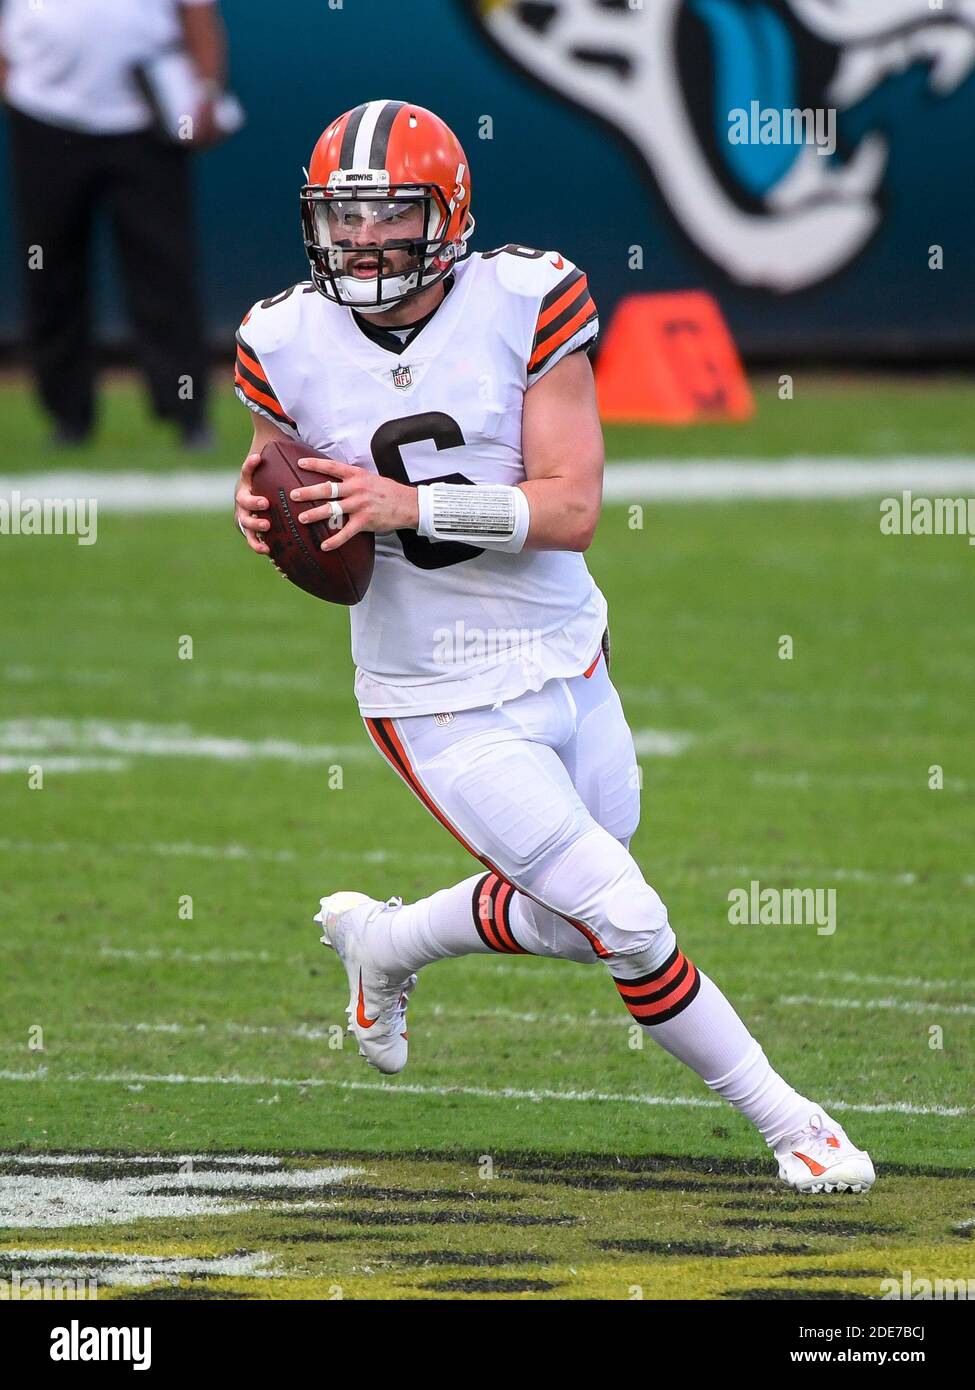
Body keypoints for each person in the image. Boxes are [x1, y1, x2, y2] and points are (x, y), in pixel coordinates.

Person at [233, 99, 875, 1195]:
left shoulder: (528, 298)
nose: (364, 241)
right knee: (624, 919)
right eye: (344, 220)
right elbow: (274, 478)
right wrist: (255, 514)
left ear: (449, 215)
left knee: (580, 921)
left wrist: (410, 509)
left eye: (389, 215)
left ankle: (387, 943)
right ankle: (794, 1124)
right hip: (434, 693)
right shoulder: (281, 337)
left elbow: (573, 507)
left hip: (566, 651)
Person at [0, 0, 227, 447]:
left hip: (145, 119)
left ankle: (188, 416)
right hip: (42, 116)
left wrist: (208, 91)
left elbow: (197, 11)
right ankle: (67, 417)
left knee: (164, 271)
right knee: (49, 271)